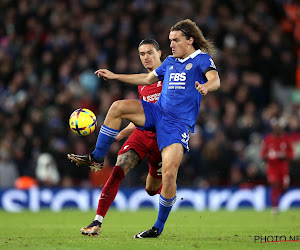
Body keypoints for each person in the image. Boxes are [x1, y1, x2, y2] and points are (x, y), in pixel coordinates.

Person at [68, 19, 220, 238]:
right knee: (118, 106)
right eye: (170, 41)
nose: (172, 45)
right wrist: (115, 76)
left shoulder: (201, 59)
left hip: (176, 126)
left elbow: (215, 79)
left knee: (164, 179)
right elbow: (147, 78)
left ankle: (157, 226)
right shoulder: (169, 62)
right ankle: (97, 157)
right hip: (156, 114)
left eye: (176, 40)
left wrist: (206, 86)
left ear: (190, 40)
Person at [72, 39, 164, 237]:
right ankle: (97, 222)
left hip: (163, 140)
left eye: (150, 53)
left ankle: (164, 185)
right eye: (142, 54)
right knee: (117, 171)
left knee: (151, 189)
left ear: (160, 53)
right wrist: (121, 133)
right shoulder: (142, 85)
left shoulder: (171, 77)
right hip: (141, 135)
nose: (146, 57)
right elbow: (141, 114)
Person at [260, 117, 294, 214]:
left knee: (283, 187)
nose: (277, 129)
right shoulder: (268, 140)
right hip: (272, 167)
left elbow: (291, 153)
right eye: (276, 127)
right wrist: (266, 159)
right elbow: (263, 154)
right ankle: (275, 207)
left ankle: (282, 193)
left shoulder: (286, 139)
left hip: (283, 167)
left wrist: (285, 156)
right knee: (274, 184)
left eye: (279, 127)